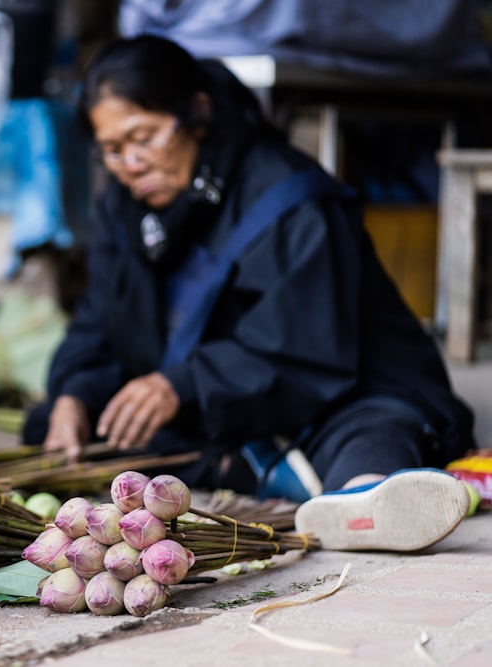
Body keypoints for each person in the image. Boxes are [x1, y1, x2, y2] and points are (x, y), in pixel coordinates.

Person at [23, 35, 478, 551]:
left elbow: (304, 347)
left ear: (196, 112)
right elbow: (99, 318)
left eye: (144, 137)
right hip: (218, 405)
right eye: (112, 150)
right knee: (64, 430)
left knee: (373, 428)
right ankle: (263, 470)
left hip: (330, 386)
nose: (132, 163)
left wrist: (183, 385)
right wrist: (73, 393)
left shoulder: (289, 198)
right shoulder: (127, 209)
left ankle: (364, 498)